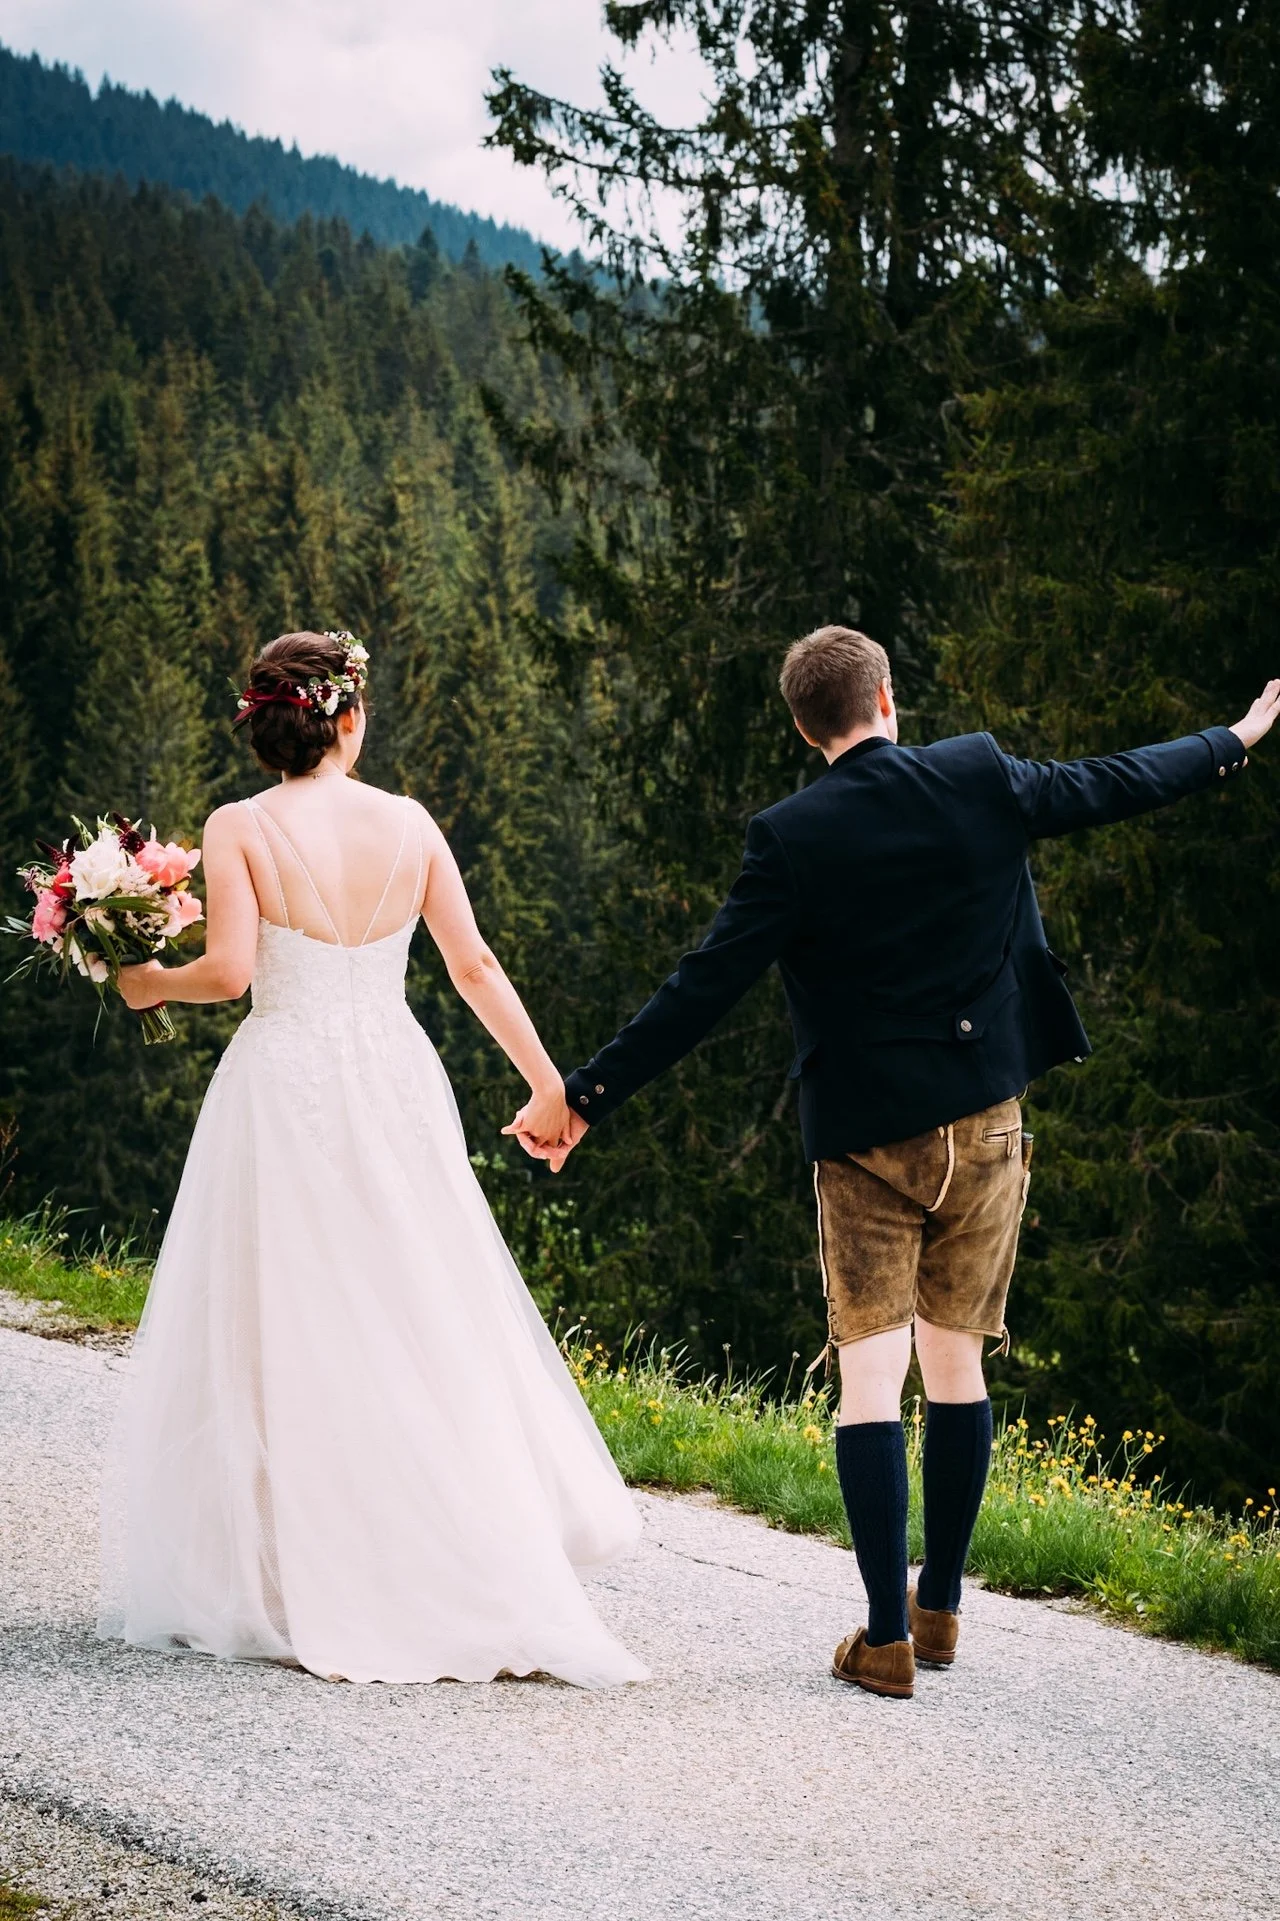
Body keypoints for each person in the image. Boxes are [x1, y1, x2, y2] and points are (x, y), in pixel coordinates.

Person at [509, 627, 1280, 1699]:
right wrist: (1230, 737)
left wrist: (580, 1097)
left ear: (800, 724)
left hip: (867, 1139)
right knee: (956, 1365)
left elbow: (701, 987)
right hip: (986, 1121)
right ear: (885, 696)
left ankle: (881, 1638)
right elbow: (1109, 784)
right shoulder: (975, 775)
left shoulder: (788, 837)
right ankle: (942, 1606)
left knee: (870, 1380)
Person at [102, 629, 647, 1688]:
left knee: (284, 1312)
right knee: (413, 1300)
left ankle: (278, 1561)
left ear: (268, 723)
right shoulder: (408, 824)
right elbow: (473, 963)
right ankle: (443, 1537)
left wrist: (144, 980)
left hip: (285, 1080)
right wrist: (550, 1089)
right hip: (392, 1076)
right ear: (346, 714)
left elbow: (226, 971)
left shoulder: (239, 824)